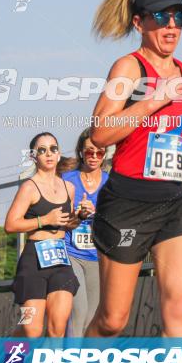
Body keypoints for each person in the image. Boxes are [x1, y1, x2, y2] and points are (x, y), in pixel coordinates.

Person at [61, 0, 182, 363]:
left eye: (180, 17)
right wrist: (154, 98)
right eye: (161, 17)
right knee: (113, 319)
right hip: (128, 204)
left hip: (177, 201)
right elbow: (100, 134)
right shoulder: (129, 68)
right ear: (140, 22)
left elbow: (175, 131)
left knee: (181, 308)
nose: (171, 25)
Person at [5, 133, 85, 363]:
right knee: (31, 328)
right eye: (42, 150)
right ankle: (11, 345)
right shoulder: (29, 187)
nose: (49, 154)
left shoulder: (68, 188)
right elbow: (11, 224)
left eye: (53, 148)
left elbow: (67, 223)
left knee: (57, 326)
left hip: (59, 260)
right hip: (34, 259)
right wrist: (43, 220)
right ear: (34, 156)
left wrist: (79, 217)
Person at [62, 130, 108, 338]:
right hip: (70, 252)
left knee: (91, 315)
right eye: (90, 152)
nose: (95, 157)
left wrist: (96, 213)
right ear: (81, 152)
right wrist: (78, 214)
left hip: (97, 255)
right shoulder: (67, 180)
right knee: (78, 310)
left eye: (100, 152)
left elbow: (115, 220)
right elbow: (58, 218)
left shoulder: (110, 182)